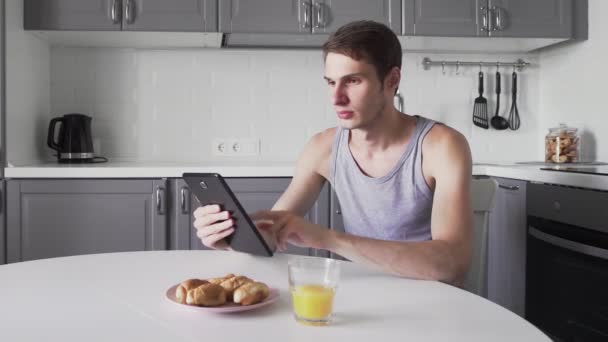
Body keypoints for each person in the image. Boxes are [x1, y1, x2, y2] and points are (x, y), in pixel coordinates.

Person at [194, 20, 473, 286]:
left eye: (352, 81)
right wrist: (233, 238)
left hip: (434, 304)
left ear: (392, 80)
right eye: (330, 82)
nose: (336, 97)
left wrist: (329, 239)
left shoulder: (442, 146)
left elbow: (450, 263)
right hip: (361, 297)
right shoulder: (323, 148)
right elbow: (273, 231)